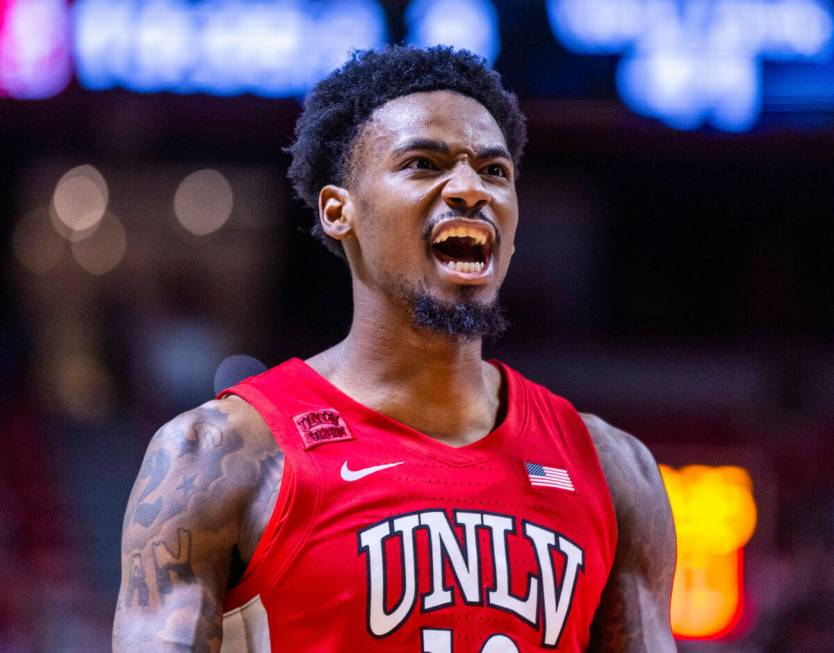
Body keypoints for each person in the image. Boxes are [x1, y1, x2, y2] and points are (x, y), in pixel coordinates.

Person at [113, 45, 676, 652]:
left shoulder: (615, 470)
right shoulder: (218, 455)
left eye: (494, 171)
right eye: (423, 163)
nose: (468, 188)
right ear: (338, 211)